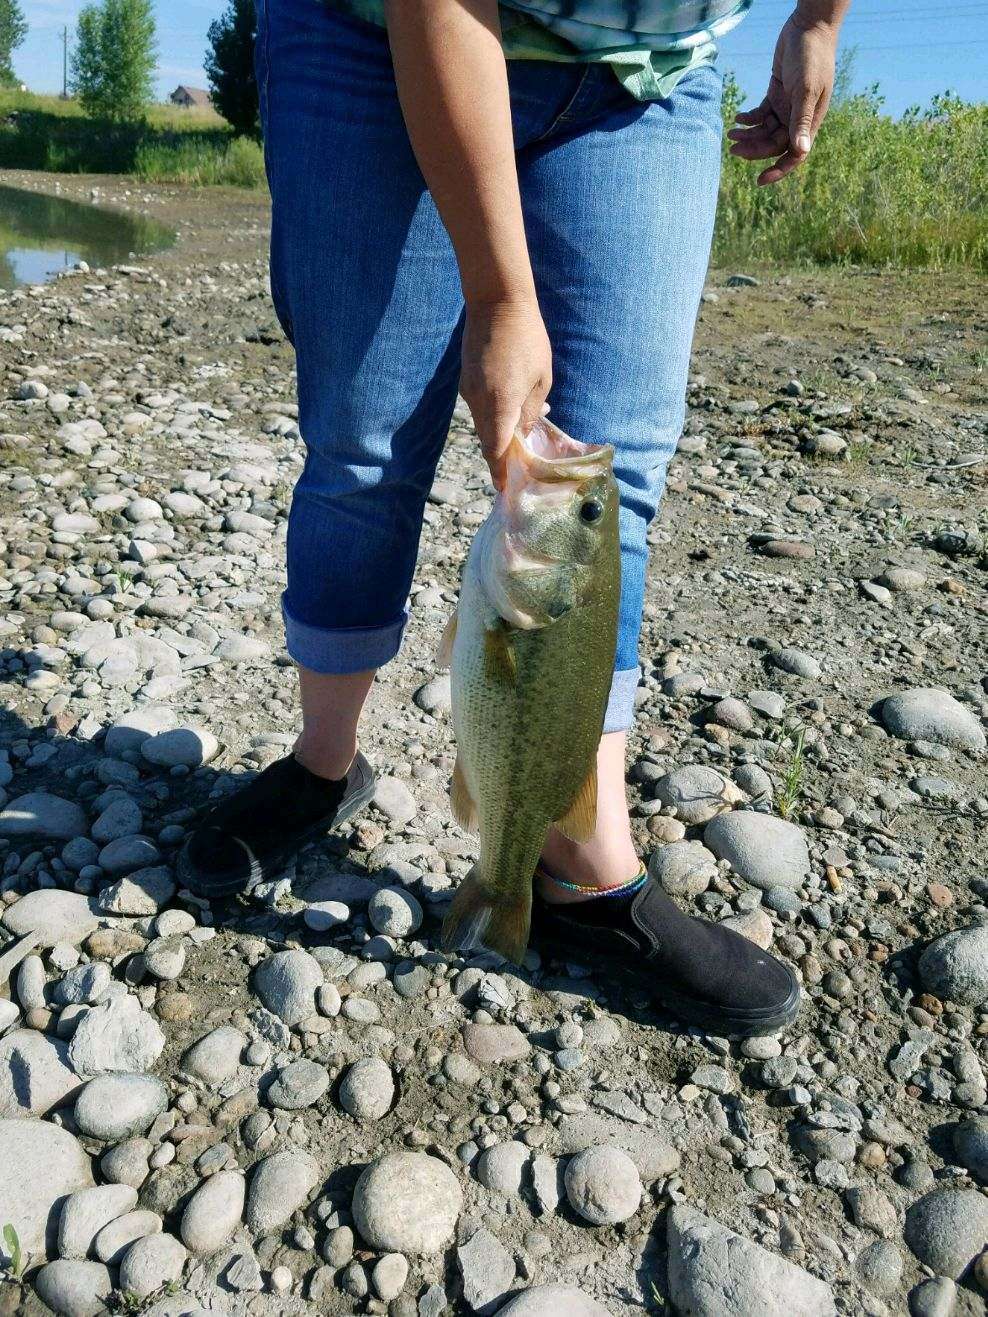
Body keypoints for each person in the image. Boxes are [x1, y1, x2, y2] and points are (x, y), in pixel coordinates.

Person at [180, 0, 850, 1037]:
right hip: (378, 30)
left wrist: (816, 19)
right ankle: (323, 766)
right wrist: (499, 298)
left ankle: (577, 866)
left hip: (647, 68)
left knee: (610, 479)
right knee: (363, 444)